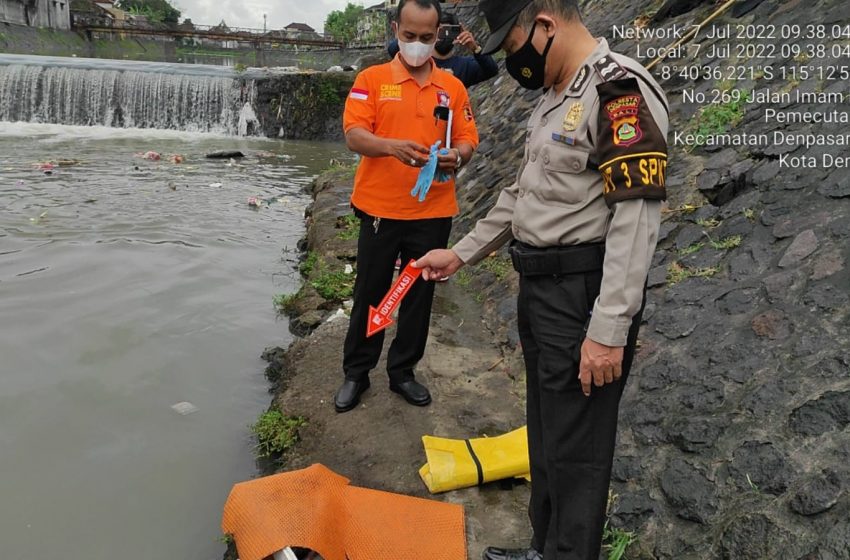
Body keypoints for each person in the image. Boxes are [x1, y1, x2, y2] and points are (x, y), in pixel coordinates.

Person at [415, 0, 669, 558]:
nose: (515, 63)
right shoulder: (557, 94)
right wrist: (461, 254)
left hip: (583, 295)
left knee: (578, 451)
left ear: (546, 26)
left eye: (513, 48)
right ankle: (542, 547)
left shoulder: (618, 91)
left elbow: (636, 217)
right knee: (548, 434)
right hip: (541, 290)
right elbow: (522, 196)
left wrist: (608, 330)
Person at [335, 0, 480, 413]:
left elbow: (469, 136)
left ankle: (403, 372)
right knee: (373, 291)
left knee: (418, 295)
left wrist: (459, 155)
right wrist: (391, 147)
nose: (417, 44)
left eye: (427, 38)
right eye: (410, 36)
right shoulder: (372, 79)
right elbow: (354, 134)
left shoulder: (451, 87)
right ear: (396, 29)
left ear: (439, 36)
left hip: (433, 211)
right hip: (380, 209)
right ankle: (356, 372)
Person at [388, 11, 499, 88]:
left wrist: (475, 48)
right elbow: (393, 49)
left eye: (447, 31)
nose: (442, 36)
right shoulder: (417, 61)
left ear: (456, 33)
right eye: (438, 31)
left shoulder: (465, 65)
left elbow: (491, 70)